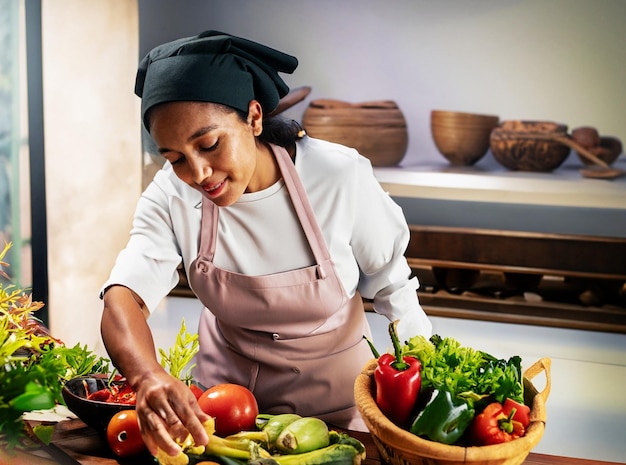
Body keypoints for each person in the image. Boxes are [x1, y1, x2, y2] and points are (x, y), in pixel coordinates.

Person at [100, 30, 432, 457]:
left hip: (338, 419)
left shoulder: (337, 177)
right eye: (176, 158)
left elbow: (394, 287)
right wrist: (146, 377)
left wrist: (425, 384)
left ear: (253, 118)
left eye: (209, 144)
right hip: (224, 421)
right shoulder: (172, 195)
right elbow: (122, 298)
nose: (198, 173)